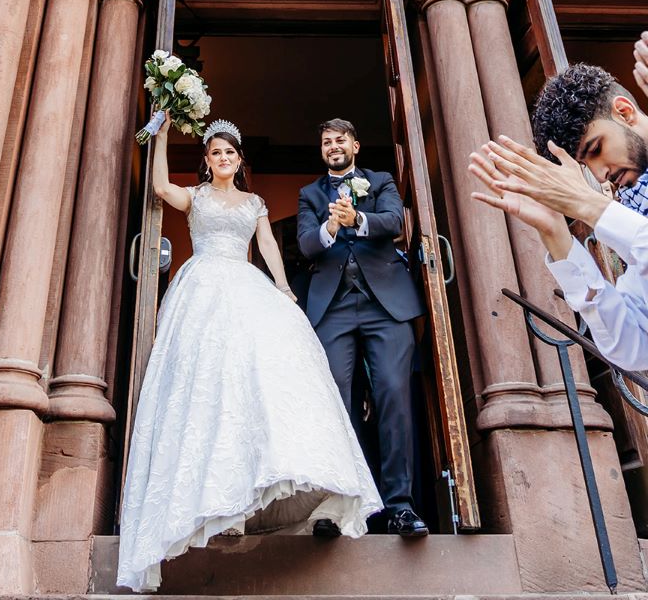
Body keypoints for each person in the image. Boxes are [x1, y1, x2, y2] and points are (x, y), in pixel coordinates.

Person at [117, 117, 381, 593]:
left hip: (246, 286)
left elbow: (265, 246)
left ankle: (253, 495)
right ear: (207, 160)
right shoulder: (194, 197)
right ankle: (213, 505)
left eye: (229, 153)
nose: (222, 159)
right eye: (215, 153)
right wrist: (159, 133)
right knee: (208, 389)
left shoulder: (255, 203)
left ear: (240, 161)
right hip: (201, 289)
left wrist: (282, 288)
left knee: (257, 383)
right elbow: (158, 187)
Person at [468, 56, 648, 372]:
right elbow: (632, 348)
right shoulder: (632, 210)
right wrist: (556, 234)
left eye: (595, 149)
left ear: (624, 112)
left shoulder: (623, 221)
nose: (600, 174)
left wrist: (588, 205)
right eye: (585, 165)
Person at [297, 118, 428, 538]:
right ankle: (339, 507)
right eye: (326, 141)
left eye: (339, 140)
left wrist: (358, 218)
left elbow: (394, 222)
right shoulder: (309, 194)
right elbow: (306, 244)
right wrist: (332, 226)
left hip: (384, 305)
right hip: (332, 308)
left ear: (355, 144)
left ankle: (400, 506)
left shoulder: (382, 180)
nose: (333, 146)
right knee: (334, 403)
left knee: (393, 394)